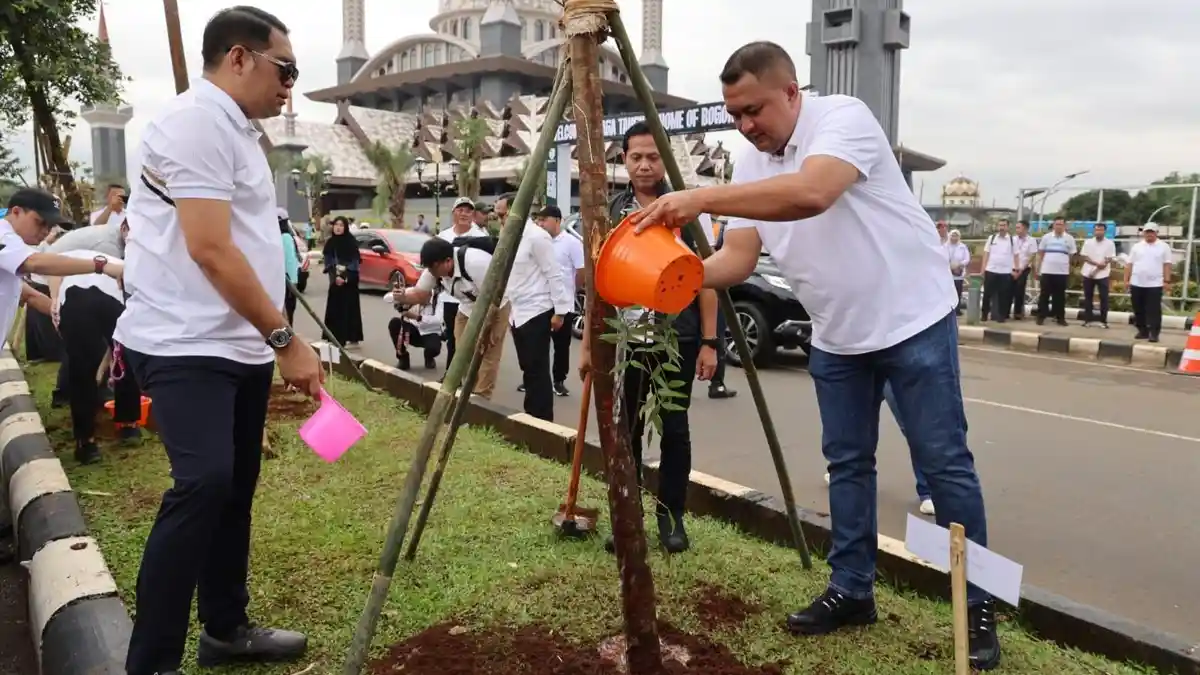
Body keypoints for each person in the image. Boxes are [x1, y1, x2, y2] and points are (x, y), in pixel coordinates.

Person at [628, 42, 998, 669]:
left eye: (754, 109)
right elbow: (739, 260)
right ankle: (851, 588)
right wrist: (675, 276)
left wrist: (698, 199)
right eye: (735, 114)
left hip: (913, 321)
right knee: (847, 465)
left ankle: (977, 605)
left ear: (791, 92)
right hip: (837, 335)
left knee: (945, 463)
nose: (746, 125)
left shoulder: (843, 119)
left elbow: (811, 194)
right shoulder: (748, 162)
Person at [112, 8, 321, 675]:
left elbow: (250, 244)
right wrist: (286, 336)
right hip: (184, 341)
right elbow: (208, 247)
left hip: (235, 343)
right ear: (239, 58)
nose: (291, 84)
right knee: (203, 483)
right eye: (284, 69)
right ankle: (151, 662)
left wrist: (271, 341)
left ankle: (225, 628)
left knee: (235, 487)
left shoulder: (237, 130)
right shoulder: (197, 122)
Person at [580, 120, 720, 555]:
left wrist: (711, 343)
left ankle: (671, 517)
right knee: (628, 431)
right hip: (626, 341)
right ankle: (629, 516)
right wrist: (587, 344)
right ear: (624, 160)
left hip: (677, 338)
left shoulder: (686, 211)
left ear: (665, 160)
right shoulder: (611, 215)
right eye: (636, 157)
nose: (645, 165)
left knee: (675, 428)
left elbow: (707, 278)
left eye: (653, 156)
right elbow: (598, 285)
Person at [49, 247, 144, 463]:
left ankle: (86, 443)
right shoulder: (120, 258)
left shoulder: (62, 253)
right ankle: (129, 426)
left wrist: (54, 301)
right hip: (110, 298)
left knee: (80, 367)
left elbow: (54, 274)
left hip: (75, 298)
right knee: (124, 357)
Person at [396, 236, 510, 398]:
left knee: (488, 351)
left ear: (448, 261)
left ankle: (482, 397)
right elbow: (420, 294)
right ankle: (466, 391)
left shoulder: (476, 263)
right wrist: (401, 296)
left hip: (496, 305)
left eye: (433, 268)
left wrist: (488, 326)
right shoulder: (434, 269)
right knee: (463, 350)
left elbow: (494, 297)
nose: (431, 273)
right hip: (467, 307)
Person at [41, 219, 131, 406]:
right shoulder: (107, 248)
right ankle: (80, 394)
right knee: (84, 345)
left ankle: (77, 393)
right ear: (124, 229)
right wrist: (55, 300)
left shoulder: (120, 240)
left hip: (65, 273)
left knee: (89, 345)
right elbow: (105, 291)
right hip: (55, 271)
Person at [825, 381, 935, 515]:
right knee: (853, 420)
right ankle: (843, 473)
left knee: (912, 426)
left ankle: (928, 491)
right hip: (862, 365)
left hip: (892, 370)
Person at [503, 207, 572, 421]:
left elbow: (554, 273)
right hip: (517, 311)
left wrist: (560, 312)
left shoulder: (537, 237)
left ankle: (541, 420)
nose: (501, 219)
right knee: (527, 368)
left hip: (537, 310)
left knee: (537, 369)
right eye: (497, 215)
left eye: (503, 214)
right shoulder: (510, 237)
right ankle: (531, 417)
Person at [436, 198, 489, 373]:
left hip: (474, 298)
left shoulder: (482, 237)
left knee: (475, 340)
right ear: (453, 213)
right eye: (460, 210)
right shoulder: (443, 237)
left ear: (473, 215)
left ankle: (470, 377)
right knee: (452, 337)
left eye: (468, 211)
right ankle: (452, 375)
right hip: (450, 296)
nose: (464, 214)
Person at [537, 205, 584, 397]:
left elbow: (580, 271)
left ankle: (559, 380)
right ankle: (534, 379)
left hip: (563, 303)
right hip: (540, 301)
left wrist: (573, 290)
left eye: (544, 220)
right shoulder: (539, 242)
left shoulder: (571, 243)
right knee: (537, 343)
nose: (540, 224)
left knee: (561, 345)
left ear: (557, 220)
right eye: (539, 220)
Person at [1125, 222, 1173, 342]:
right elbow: (1129, 264)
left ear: (1156, 233)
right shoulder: (1137, 246)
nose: (1149, 234)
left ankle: (1154, 333)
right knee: (1138, 308)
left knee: (1154, 309)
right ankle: (1142, 331)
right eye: (1147, 232)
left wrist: (1167, 281)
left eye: (1152, 232)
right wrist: (1126, 279)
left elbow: (1167, 264)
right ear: (1144, 233)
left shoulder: (1164, 246)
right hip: (1137, 282)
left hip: (1155, 283)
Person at [321, 216, 363, 347]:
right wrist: (336, 276)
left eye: (341, 225)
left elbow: (355, 262)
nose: (338, 228)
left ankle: (352, 336)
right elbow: (328, 262)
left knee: (350, 308)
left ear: (345, 227)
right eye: (336, 225)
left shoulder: (351, 242)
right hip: (335, 281)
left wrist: (345, 277)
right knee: (335, 308)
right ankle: (334, 337)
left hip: (349, 281)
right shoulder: (330, 243)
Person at [708, 217, 738, 399]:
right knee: (715, 334)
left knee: (716, 332)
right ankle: (717, 384)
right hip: (710, 279)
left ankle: (717, 382)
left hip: (714, 279)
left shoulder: (719, 225)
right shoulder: (717, 226)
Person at [387, 286, 442, 370]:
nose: (418, 298)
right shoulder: (414, 293)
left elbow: (438, 320)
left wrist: (417, 317)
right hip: (412, 330)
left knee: (433, 348)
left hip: (430, 332)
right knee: (394, 323)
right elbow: (387, 298)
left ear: (429, 294)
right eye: (417, 296)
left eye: (421, 296)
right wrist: (398, 295)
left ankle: (429, 357)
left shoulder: (439, 299)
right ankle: (403, 357)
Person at [1035, 217, 1077, 326]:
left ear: (1064, 226)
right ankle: (1041, 317)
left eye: (1061, 224)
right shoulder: (1046, 237)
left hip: (1062, 272)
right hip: (1047, 271)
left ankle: (1060, 318)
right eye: (1056, 224)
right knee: (1044, 295)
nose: (1058, 226)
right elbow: (1041, 253)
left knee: (1059, 296)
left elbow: (1071, 255)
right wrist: (1038, 269)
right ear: (1053, 226)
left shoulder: (1069, 238)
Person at [979, 219, 1017, 322]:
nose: (1001, 227)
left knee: (1004, 296)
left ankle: (1001, 316)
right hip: (991, 270)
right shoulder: (992, 238)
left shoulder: (1012, 240)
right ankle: (984, 314)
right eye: (1000, 225)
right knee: (987, 294)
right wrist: (983, 269)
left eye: (1004, 225)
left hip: (1005, 272)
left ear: (1008, 227)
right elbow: (986, 254)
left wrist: (1015, 269)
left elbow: (1016, 255)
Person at [1079, 222, 1115, 328]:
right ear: (1094, 231)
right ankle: (1087, 320)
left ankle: (1104, 321)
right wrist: (1096, 264)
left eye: (1101, 230)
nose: (1098, 232)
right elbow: (1084, 256)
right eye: (1097, 229)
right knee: (1088, 297)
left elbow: (1110, 257)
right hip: (1088, 273)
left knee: (1104, 297)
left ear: (1104, 231)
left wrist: (1102, 265)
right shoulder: (1088, 242)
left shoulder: (1110, 243)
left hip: (1103, 274)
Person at [1010, 220, 1038, 319]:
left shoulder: (1032, 240)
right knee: (1008, 290)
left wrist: (1021, 270)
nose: (1016, 229)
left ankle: (1018, 312)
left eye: (1019, 227)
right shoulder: (1012, 239)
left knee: (1019, 290)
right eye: (1016, 227)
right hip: (1011, 268)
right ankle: (1005, 312)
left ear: (1025, 228)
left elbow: (1032, 256)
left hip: (1024, 268)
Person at [279, 208, 301, 325]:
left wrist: (292, 282)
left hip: (287, 282)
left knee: (287, 314)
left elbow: (290, 263)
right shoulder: (287, 237)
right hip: (288, 281)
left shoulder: (284, 237)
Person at [946, 229, 971, 315]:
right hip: (948, 273)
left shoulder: (963, 247)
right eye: (953, 235)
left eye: (956, 236)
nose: (954, 238)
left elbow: (967, 259)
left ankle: (957, 310)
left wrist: (960, 264)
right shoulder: (946, 246)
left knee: (958, 292)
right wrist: (950, 266)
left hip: (959, 273)